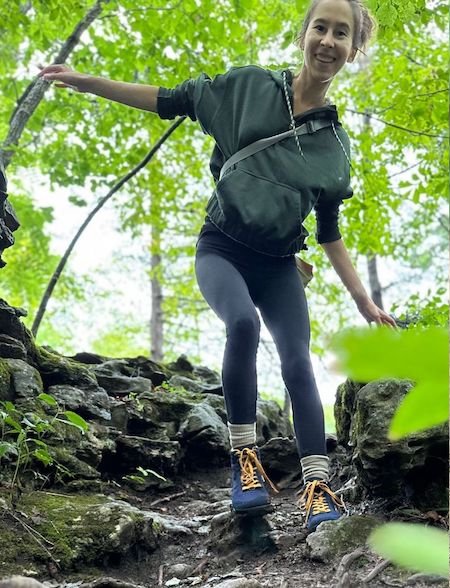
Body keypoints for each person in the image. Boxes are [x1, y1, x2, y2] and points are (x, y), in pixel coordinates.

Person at [39, 0, 396, 532]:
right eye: (320, 27)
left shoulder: (334, 147)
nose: (328, 40)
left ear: (353, 49)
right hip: (222, 249)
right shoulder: (246, 89)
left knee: (299, 362)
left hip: (278, 265)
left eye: (341, 33)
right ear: (303, 34)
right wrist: (87, 82)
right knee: (243, 325)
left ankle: (318, 488)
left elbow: (328, 232)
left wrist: (364, 301)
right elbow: (169, 99)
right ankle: (244, 463)